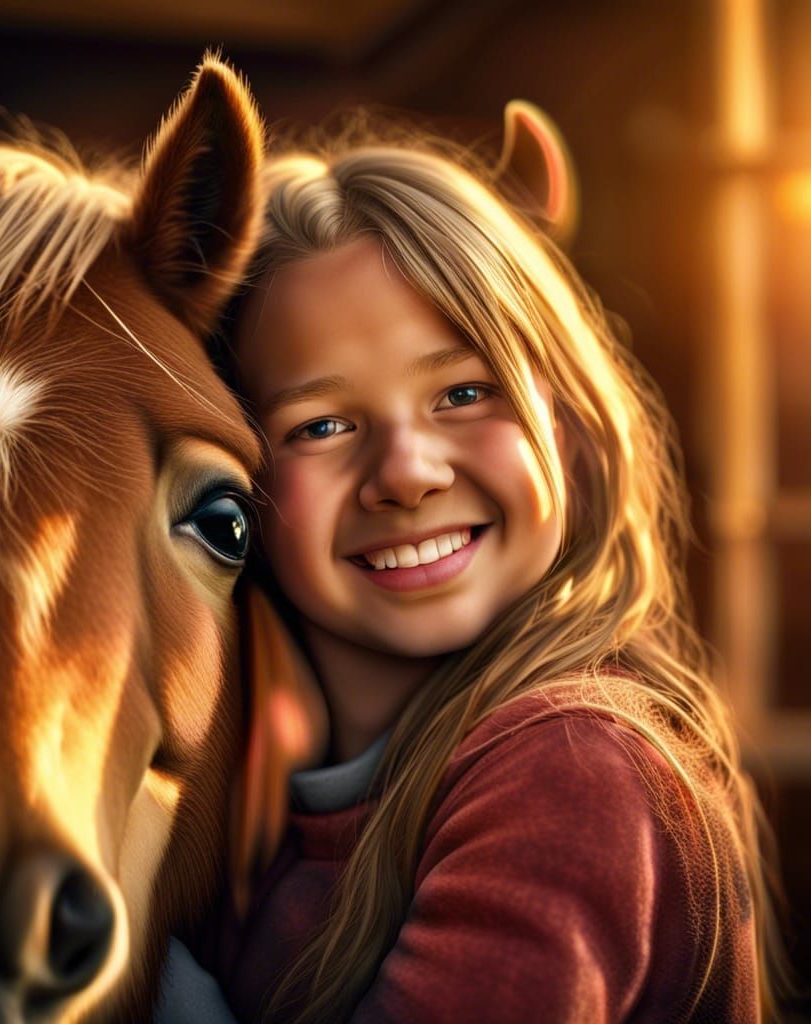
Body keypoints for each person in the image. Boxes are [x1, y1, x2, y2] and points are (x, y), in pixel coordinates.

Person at [157, 107, 785, 1024]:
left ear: (564, 421)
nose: (409, 473)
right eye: (321, 426)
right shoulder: (244, 807)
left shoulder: (574, 764)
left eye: (463, 392)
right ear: (239, 484)